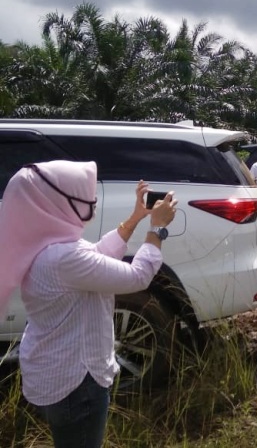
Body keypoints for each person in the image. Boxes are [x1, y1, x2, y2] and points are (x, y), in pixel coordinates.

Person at [0, 160, 177, 448]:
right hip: (76, 383)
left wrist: (135, 218)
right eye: (86, 195)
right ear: (58, 203)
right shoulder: (63, 258)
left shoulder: (45, 245)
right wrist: (157, 229)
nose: (93, 200)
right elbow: (138, 276)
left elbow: (96, 255)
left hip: (55, 374)